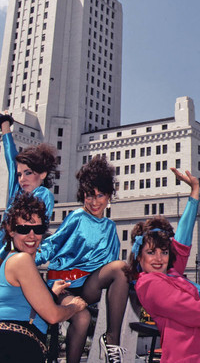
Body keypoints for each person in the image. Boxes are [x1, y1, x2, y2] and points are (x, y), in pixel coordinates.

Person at [126, 169, 200, 363]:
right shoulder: (149, 284)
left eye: (164, 252)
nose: (158, 258)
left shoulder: (171, 274)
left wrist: (194, 191)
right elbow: (196, 311)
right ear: (138, 257)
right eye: (151, 252)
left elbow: (183, 238)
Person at [36, 155, 129, 363]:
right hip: (64, 285)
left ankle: (112, 340)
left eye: (100, 195)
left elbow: (111, 272)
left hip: (89, 287)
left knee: (121, 268)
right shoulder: (77, 217)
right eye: (89, 195)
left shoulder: (111, 229)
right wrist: (24, 259)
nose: (94, 202)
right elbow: (52, 244)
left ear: (109, 196)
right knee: (83, 317)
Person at [0, 193, 87, 363]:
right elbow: (52, 315)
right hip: (12, 348)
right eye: (23, 229)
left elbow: (26, 304)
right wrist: (74, 307)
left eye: (38, 229)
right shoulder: (21, 260)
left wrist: (51, 293)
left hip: (10, 346)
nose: (31, 235)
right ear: (11, 231)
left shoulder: (15, 261)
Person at [0, 108, 57, 276]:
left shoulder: (43, 195)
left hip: (14, 261)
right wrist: (5, 123)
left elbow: (20, 232)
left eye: (28, 173)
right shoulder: (18, 189)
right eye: (20, 174)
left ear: (42, 174)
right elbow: (10, 155)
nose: (22, 179)